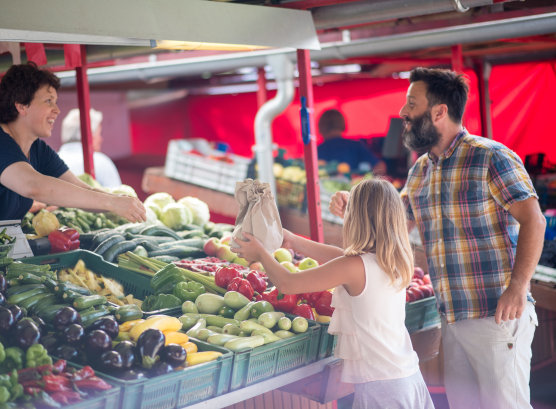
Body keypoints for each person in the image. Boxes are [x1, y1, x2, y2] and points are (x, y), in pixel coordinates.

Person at [329, 67, 545, 409]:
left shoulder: (490, 156)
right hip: (453, 319)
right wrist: (353, 206)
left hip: (497, 316)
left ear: (439, 112)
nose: (403, 113)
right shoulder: (421, 170)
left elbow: (534, 220)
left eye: (411, 104)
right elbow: (392, 226)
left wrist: (518, 287)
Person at [233, 179, 434, 409]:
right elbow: (342, 258)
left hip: (382, 390)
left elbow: (287, 283)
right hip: (407, 377)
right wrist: (295, 241)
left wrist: (260, 253)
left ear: (355, 221)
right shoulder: (395, 260)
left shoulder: (356, 267)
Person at [0, 62, 146, 224]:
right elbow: (33, 186)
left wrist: (123, 203)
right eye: (48, 101)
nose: (57, 110)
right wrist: (111, 201)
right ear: (22, 106)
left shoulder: (37, 149)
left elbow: (81, 190)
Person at [58, 108, 122, 188]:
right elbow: (118, 197)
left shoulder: (49, 162)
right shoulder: (101, 162)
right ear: (90, 136)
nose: (101, 139)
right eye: (99, 134)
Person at [317, 109, 386, 175]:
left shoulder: (315, 151)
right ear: (343, 125)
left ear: (320, 127)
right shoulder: (356, 145)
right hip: (354, 186)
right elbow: (381, 167)